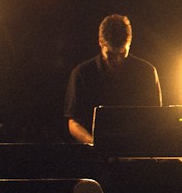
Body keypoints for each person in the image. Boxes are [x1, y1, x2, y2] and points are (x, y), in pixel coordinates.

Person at [64, 14, 162, 145]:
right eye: (110, 54)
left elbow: (155, 118)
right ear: (100, 42)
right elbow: (73, 122)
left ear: (130, 43)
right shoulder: (82, 73)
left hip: (136, 150)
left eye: (122, 53)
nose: (117, 60)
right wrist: (93, 142)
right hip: (95, 157)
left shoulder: (147, 72)